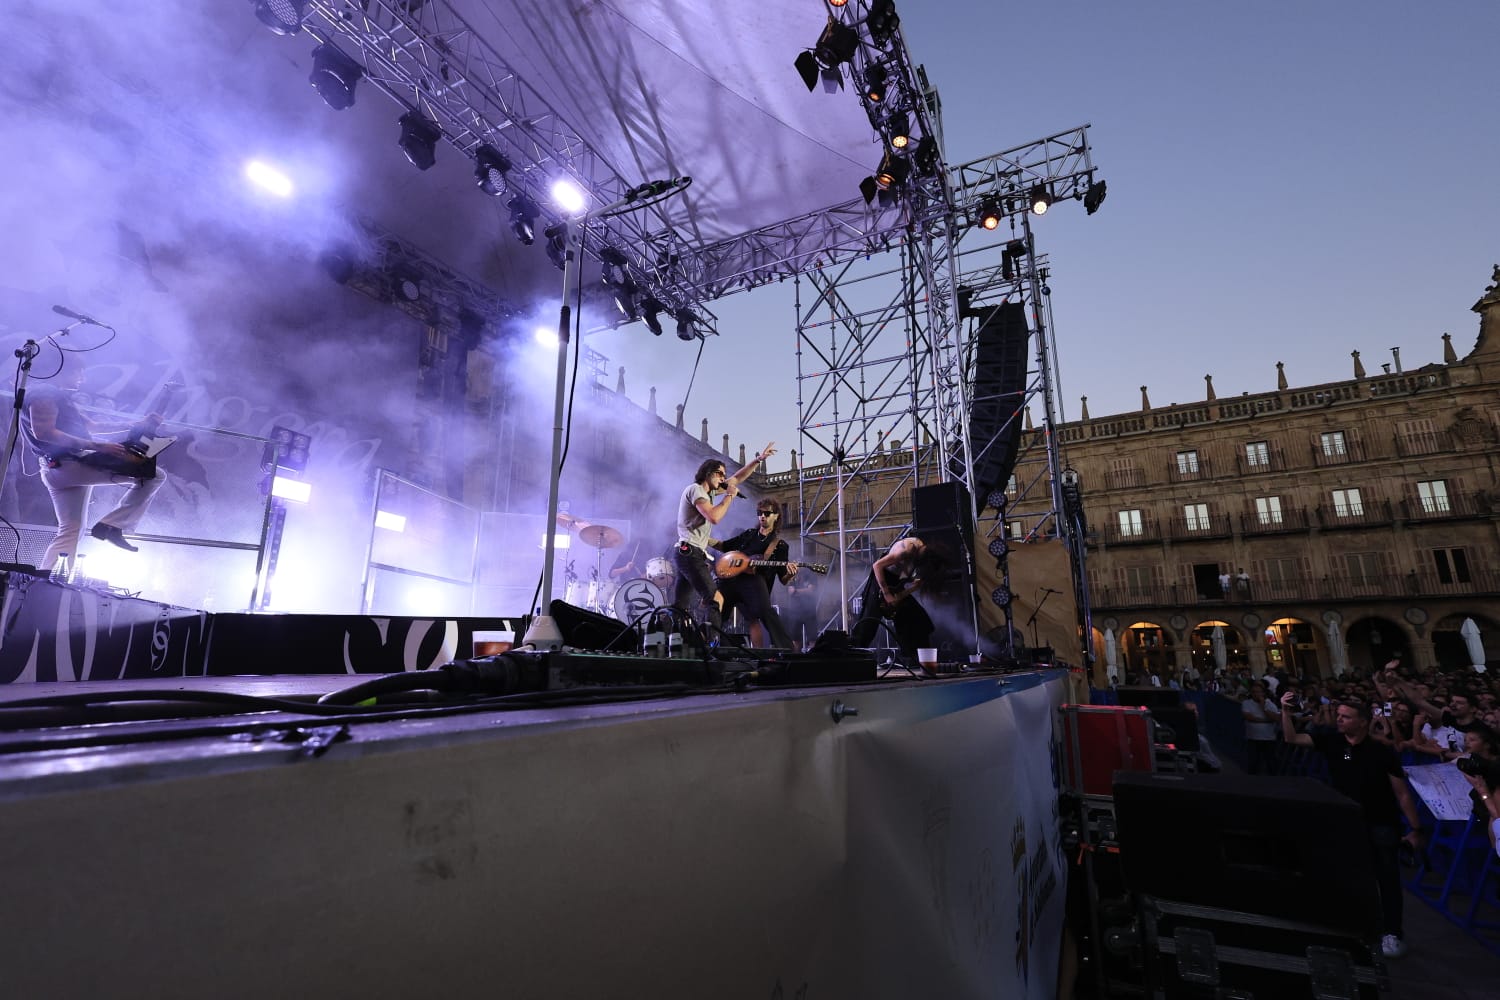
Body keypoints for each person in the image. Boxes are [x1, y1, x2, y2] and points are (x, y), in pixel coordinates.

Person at [1279, 693, 1424, 959]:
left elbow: (1401, 793)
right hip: (1347, 821)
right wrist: (1285, 713)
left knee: (1387, 878)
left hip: (1381, 821)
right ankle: (1357, 924)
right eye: (1339, 716)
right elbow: (1292, 739)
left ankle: (1392, 931)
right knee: (1349, 873)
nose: (1340, 720)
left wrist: (1415, 828)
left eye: (1346, 717)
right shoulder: (1332, 741)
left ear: (1362, 722)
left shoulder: (1380, 752)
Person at [19, 367, 166, 574]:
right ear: (60, 369)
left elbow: (94, 426)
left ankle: (49, 578)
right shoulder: (44, 394)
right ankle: (113, 525)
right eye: (77, 371)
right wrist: (97, 446)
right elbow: (44, 433)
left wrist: (137, 425)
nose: (82, 377)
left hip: (61, 468)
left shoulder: (60, 397)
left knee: (71, 530)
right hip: (69, 466)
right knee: (155, 475)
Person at [672, 445, 774, 634]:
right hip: (689, 552)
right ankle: (709, 644)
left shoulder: (708, 492)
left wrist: (758, 460)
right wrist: (729, 497)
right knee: (715, 598)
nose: (722, 478)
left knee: (680, 605)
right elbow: (714, 517)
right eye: (719, 474)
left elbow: (738, 478)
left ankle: (667, 642)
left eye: (723, 475)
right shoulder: (696, 490)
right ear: (708, 473)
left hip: (689, 553)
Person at [713, 499, 797, 648]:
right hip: (733, 578)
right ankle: (703, 645)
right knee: (715, 610)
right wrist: (702, 539)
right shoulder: (749, 534)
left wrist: (790, 574)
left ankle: (786, 650)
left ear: (776, 516)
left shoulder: (779, 545)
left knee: (765, 613)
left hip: (754, 583)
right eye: (759, 513)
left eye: (767, 513)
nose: (762, 516)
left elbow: (783, 579)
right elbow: (725, 546)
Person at [848, 535, 948, 660]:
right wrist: (886, 593)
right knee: (868, 624)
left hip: (894, 581)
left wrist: (912, 582)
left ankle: (913, 657)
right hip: (880, 579)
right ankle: (853, 658)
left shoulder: (918, 550)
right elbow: (877, 566)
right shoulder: (907, 549)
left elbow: (902, 569)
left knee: (919, 618)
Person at [1241, 680, 1280, 774]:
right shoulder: (1246, 703)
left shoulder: (1270, 704)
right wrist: (1266, 720)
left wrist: (1264, 707)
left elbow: (1275, 718)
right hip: (1253, 738)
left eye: (1258, 692)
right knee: (1254, 762)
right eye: (1254, 692)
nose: (1256, 694)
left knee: (1271, 762)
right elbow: (1248, 717)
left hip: (1268, 738)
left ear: (1263, 693)